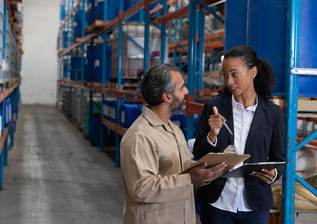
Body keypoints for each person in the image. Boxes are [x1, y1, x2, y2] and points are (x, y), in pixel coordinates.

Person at [120, 64, 227, 224]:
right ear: (167, 97)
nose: (186, 92)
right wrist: (190, 178)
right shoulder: (140, 136)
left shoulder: (174, 130)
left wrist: (206, 170)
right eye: (182, 87)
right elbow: (141, 189)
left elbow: (180, 169)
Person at [193, 45, 285, 224]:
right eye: (225, 75)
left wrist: (273, 174)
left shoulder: (272, 113)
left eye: (234, 74)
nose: (229, 81)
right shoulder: (213, 107)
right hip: (217, 203)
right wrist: (212, 135)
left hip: (254, 205)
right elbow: (198, 154)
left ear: (253, 72)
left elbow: (280, 158)